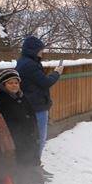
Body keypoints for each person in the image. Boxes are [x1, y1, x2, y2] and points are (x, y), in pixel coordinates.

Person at [0, 70, 41, 184]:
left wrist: (35, 139)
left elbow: (32, 120)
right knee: (10, 176)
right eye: (10, 83)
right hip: (10, 147)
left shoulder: (23, 98)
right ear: (3, 84)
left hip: (27, 145)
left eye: (16, 82)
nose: (14, 85)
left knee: (24, 175)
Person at [15, 36, 64, 164]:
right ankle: (35, 168)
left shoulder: (24, 61)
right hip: (36, 107)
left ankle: (34, 166)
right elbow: (45, 82)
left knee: (34, 139)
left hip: (31, 105)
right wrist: (57, 73)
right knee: (39, 139)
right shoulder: (30, 65)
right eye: (40, 49)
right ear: (33, 50)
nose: (42, 52)